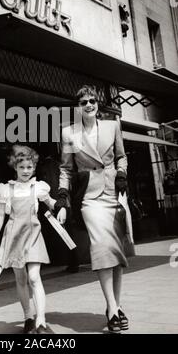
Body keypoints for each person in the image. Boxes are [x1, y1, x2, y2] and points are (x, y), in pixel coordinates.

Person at [54, 85, 134, 333]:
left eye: (92, 101)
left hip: (113, 192)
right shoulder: (68, 133)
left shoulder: (113, 126)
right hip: (89, 197)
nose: (89, 105)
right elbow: (66, 169)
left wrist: (122, 173)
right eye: (83, 102)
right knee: (101, 248)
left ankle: (115, 307)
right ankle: (112, 307)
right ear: (77, 107)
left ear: (98, 104)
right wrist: (63, 197)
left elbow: (121, 156)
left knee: (116, 251)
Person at [0, 145, 66, 334]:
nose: (26, 171)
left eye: (30, 167)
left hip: (33, 236)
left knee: (34, 277)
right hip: (14, 237)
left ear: (34, 167)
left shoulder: (38, 187)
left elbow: (51, 203)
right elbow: (0, 216)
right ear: (15, 167)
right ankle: (28, 317)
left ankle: (41, 320)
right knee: (21, 279)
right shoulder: (6, 189)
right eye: (22, 167)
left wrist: (61, 207)